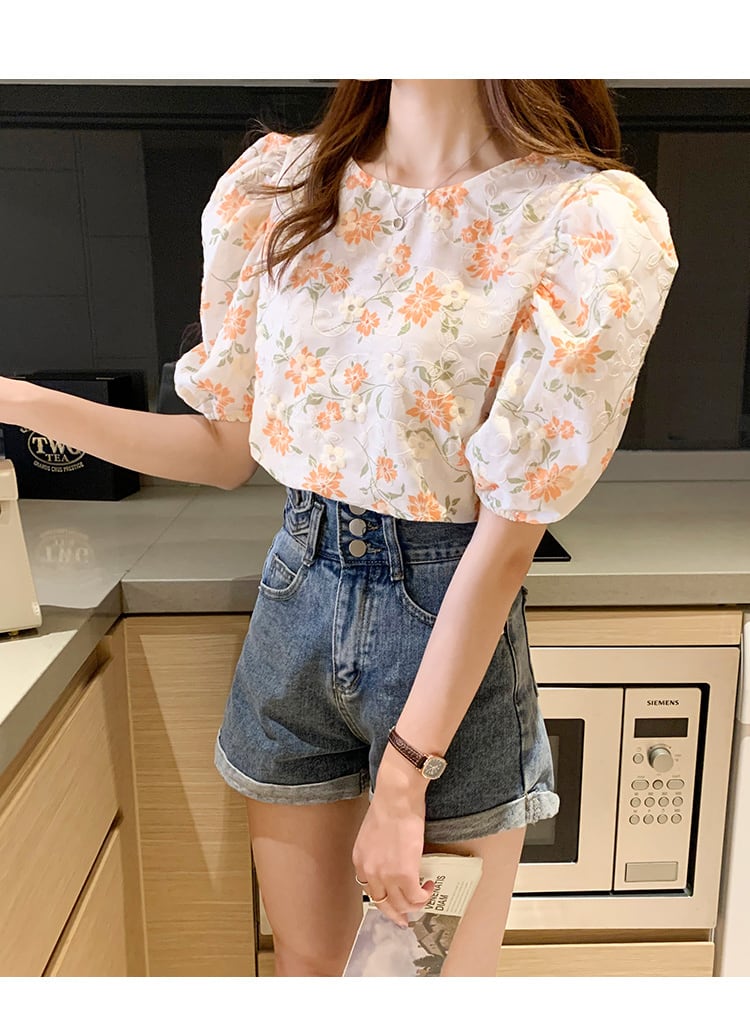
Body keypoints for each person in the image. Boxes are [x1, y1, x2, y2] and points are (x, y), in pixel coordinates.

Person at [0, 80, 679, 977]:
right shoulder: (287, 186)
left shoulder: (579, 220)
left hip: (443, 631)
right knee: (308, 974)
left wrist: (406, 773)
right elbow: (225, 449)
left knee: (420, 992)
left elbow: (508, 540)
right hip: (296, 605)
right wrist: (19, 402)